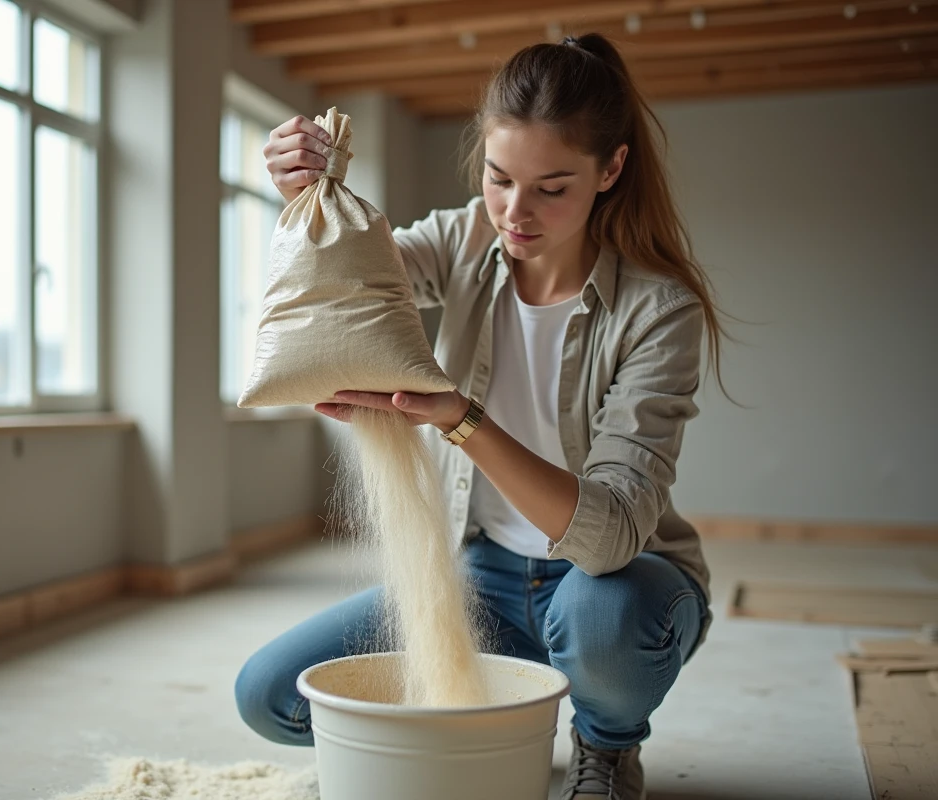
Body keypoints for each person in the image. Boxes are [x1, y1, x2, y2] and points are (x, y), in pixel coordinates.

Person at [235, 32, 727, 800]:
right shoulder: (464, 238)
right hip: (483, 580)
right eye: (499, 179)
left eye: (551, 188)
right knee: (271, 694)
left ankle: (606, 743)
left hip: (614, 586)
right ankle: (501, 713)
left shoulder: (659, 311)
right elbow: (351, 279)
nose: (515, 213)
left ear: (611, 169)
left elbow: (607, 541)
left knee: (601, 623)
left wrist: (460, 418)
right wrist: (303, 194)